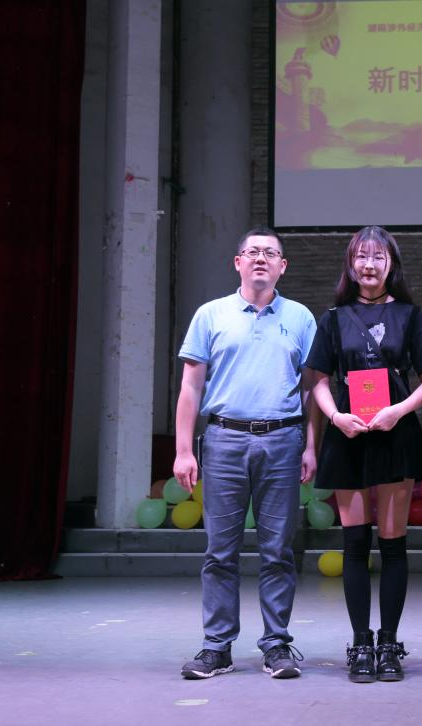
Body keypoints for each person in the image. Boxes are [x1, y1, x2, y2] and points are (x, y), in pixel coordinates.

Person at [174, 227, 318, 681]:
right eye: (252, 252)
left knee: (278, 551)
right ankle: (217, 647)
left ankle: (276, 645)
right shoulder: (210, 314)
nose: (260, 258)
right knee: (220, 551)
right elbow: (190, 387)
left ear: (282, 266)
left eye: (270, 253)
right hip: (224, 440)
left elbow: (313, 389)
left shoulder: (300, 318)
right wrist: (183, 450)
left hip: (282, 440)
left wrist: (312, 445)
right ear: (237, 262)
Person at [305, 226, 422, 683]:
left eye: (378, 257)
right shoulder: (333, 317)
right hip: (348, 433)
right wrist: (336, 417)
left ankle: (389, 644)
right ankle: (361, 644)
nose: (369, 264)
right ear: (350, 264)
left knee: (393, 543)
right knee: (355, 544)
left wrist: (397, 411)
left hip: (395, 433)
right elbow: (318, 380)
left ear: (391, 265)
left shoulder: (410, 314)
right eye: (361, 256)